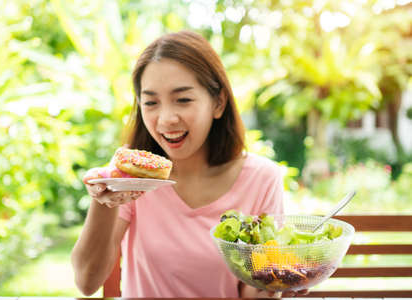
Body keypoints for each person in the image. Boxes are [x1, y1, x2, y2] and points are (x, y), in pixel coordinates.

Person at [71, 30, 306, 298]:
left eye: (183, 100)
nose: (166, 119)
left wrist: (278, 283)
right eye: (150, 102)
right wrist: (104, 198)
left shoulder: (261, 178)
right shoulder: (130, 177)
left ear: (218, 103)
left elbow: (252, 291)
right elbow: (86, 282)